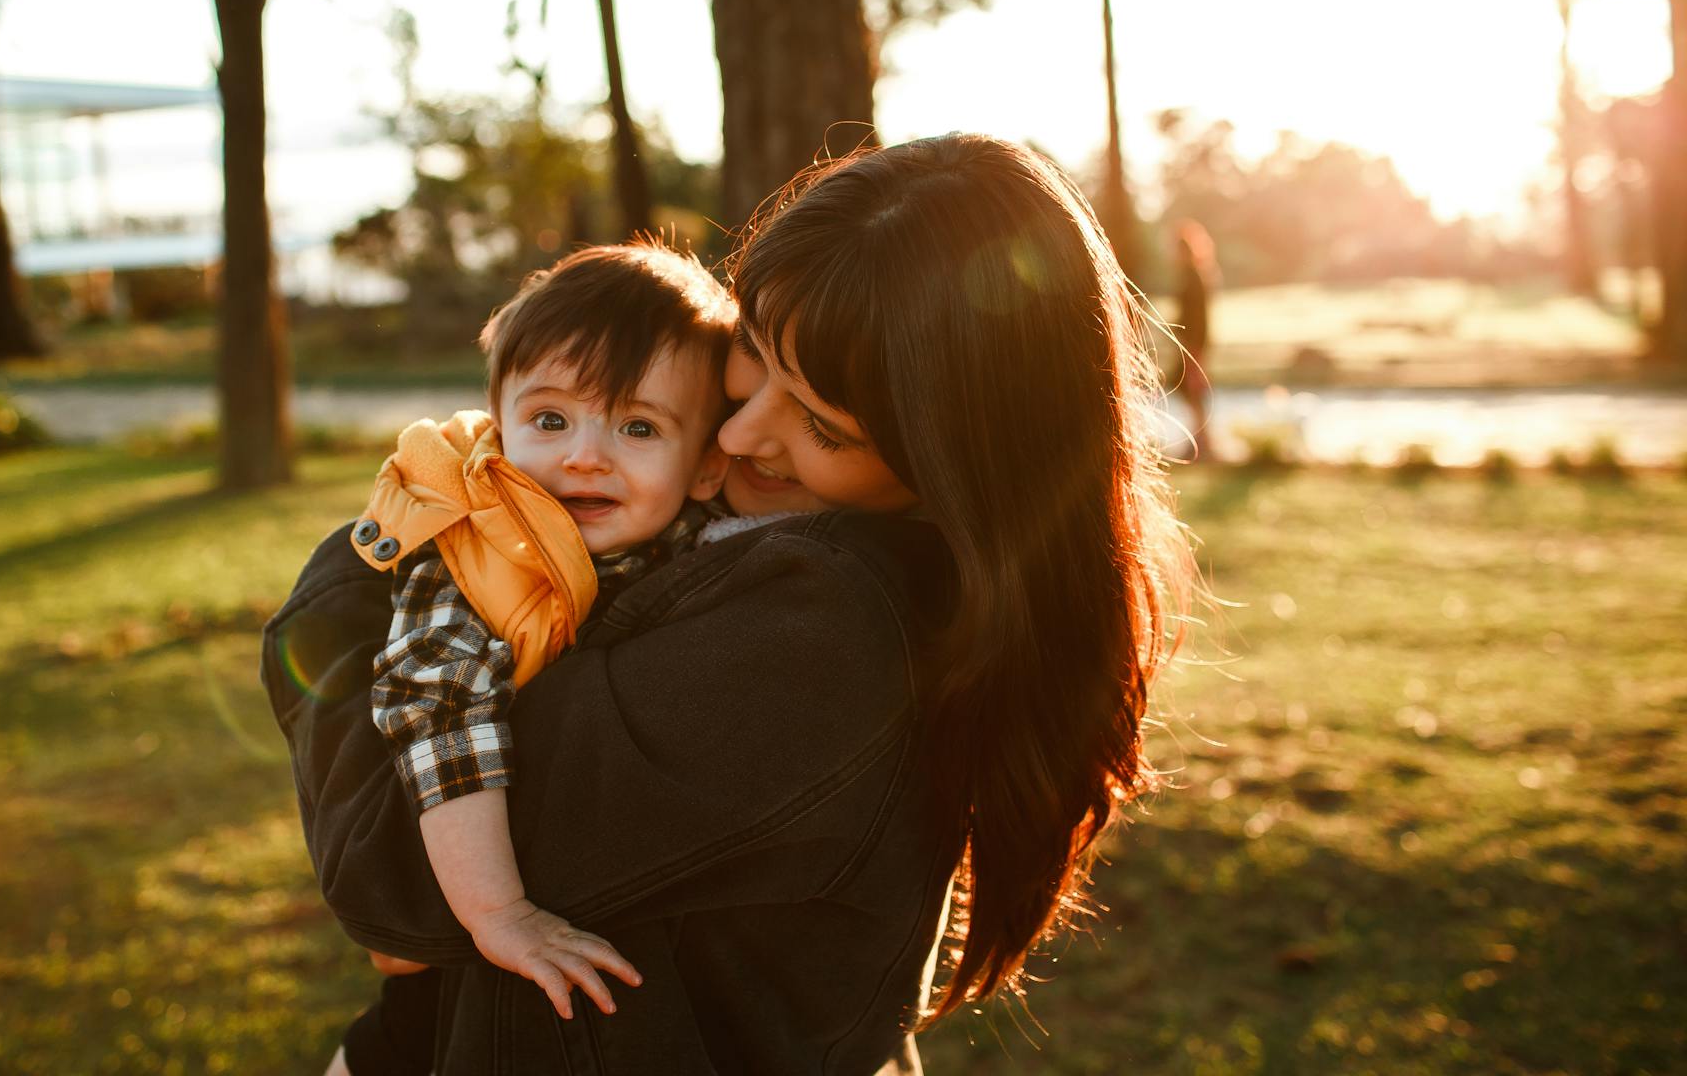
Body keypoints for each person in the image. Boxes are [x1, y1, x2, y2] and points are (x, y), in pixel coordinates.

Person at [265, 134, 1190, 1074]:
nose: (741, 434)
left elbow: (390, 879)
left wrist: (364, 568)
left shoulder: (824, 633)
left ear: (955, 460)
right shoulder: (718, 526)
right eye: (753, 355)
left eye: (822, 424)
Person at [347, 242, 742, 1033]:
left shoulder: (707, 543)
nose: (584, 456)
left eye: (637, 426)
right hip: (460, 901)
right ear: (498, 430)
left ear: (705, 467)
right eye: (550, 419)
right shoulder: (474, 554)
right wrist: (499, 912)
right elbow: (438, 716)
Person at [1171, 217, 1219, 461]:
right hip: (1190, 342)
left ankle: (1203, 438)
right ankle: (1201, 435)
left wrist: (1194, 347)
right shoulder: (1192, 276)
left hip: (1192, 344)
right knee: (1187, 388)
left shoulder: (1193, 278)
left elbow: (1196, 317)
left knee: (1191, 388)